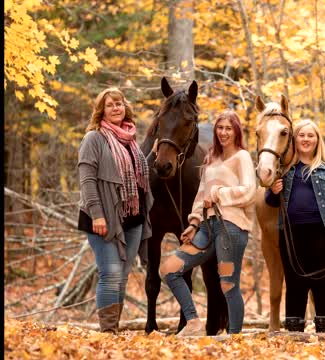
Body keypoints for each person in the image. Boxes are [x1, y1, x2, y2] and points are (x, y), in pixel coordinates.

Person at [159, 110, 256, 336]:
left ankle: (234, 337)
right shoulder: (211, 157)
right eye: (220, 128)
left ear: (236, 131)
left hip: (230, 228)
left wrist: (220, 193)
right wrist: (193, 223)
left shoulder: (242, 157)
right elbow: (201, 195)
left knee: (228, 284)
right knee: (170, 269)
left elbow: (250, 191)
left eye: (228, 128)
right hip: (206, 227)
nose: (223, 133)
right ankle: (193, 322)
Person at [78, 87, 153, 334]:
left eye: (119, 103)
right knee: (110, 273)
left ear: (125, 107)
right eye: (110, 105)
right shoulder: (94, 139)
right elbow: (87, 181)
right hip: (103, 218)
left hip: (132, 219)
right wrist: (97, 214)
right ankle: (107, 332)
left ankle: (115, 330)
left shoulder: (130, 139)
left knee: (121, 275)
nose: (116, 108)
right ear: (102, 110)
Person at [265, 119, 325, 333]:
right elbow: (271, 202)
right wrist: (273, 191)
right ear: (295, 139)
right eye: (301, 135)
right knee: (295, 283)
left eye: (310, 135)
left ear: (317, 140)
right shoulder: (284, 170)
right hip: (292, 234)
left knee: (323, 282)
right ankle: (294, 332)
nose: (306, 139)